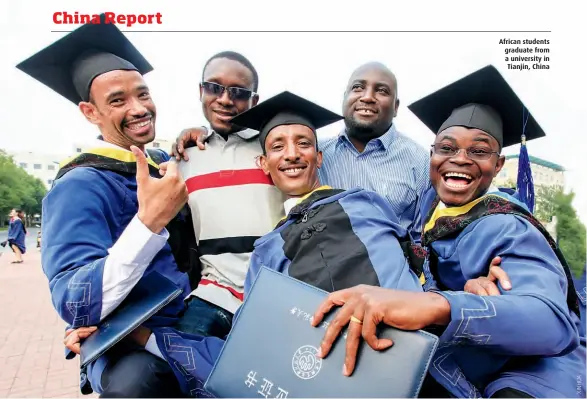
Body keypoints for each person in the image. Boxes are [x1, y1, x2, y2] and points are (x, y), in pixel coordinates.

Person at [66, 90, 506, 396]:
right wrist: (133, 335)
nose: (292, 153)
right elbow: (248, 353)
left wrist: (467, 283)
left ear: (320, 156)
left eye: (303, 143)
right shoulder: (267, 251)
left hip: (417, 364)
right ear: (264, 163)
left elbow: (420, 254)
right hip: (325, 379)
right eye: (278, 145)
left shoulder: (367, 202)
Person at [310, 65, 586, 398]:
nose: (461, 159)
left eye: (480, 151)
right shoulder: (429, 208)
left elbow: (552, 321)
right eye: (447, 148)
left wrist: (440, 305)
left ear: (498, 165)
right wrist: (461, 289)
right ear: (432, 155)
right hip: (461, 358)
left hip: (529, 372)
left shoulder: (506, 225)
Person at [17, 15, 197, 397]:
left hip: (191, 325)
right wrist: (148, 223)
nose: (137, 108)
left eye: (142, 93)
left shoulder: (162, 163)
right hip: (127, 346)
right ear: (90, 112)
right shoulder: (79, 185)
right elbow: (74, 302)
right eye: (117, 100)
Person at [173, 62, 430, 242]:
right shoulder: (315, 153)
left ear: (396, 106)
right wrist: (199, 132)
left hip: (386, 282)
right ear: (344, 97)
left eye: (381, 91)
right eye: (358, 87)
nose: (367, 97)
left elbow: (421, 236)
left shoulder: (419, 162)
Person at [172, 51, 287, 338]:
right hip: (213, 296)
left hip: (274, 293)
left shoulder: (275, 149)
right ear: (201, 91)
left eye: (238, 92)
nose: (224, 99)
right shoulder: (183, 159)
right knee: (182, 369)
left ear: (254, 101)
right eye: (213, 87)